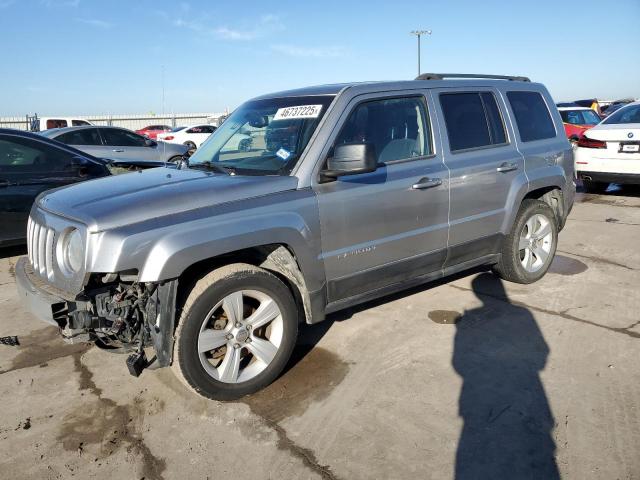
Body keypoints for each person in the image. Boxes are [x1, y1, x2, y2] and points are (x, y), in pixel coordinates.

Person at [453, 273, 560, 479]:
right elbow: (543, 354)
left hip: (474, 399)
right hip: (531, 388)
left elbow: (458, 363)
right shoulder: (524, 314)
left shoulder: (470, 317)